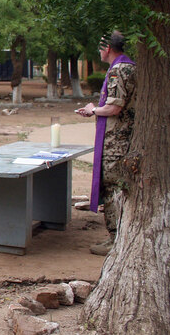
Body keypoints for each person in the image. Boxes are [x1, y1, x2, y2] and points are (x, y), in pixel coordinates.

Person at [77, 31, 136, 256]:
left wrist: (93, 110)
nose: (98, 52)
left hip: (116, 139)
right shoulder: (131, 66)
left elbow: (114, 108)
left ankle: (116, 238)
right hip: (125, 136)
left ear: (108, 48)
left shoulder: (118, 71)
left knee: (112, 188)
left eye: (100, 47)